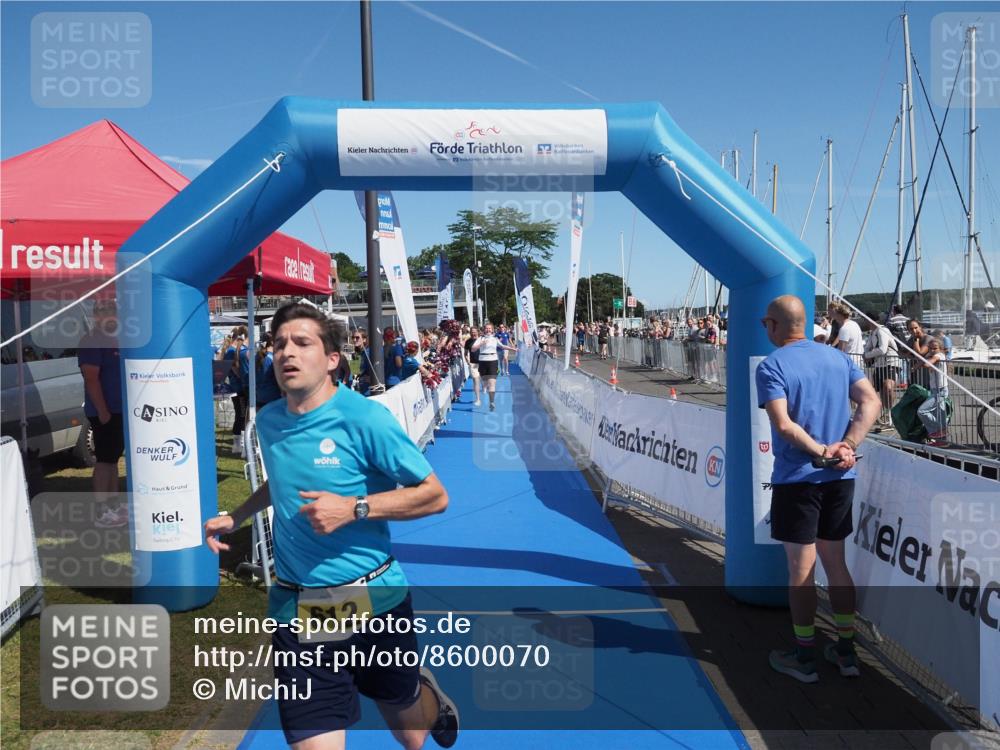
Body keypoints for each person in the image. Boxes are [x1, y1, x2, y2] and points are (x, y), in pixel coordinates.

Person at [204, 303, 459, 749]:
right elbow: (282, 480)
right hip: (299, 609)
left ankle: (427, 695)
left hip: (374, 601)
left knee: (412, 735)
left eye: (302, 343)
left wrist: (354, 508)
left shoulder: (364, 418)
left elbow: (435, 495)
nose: (287, 352)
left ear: (332, 359)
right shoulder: (269, 421)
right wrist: (237, 515)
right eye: (279, 344)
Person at [756, 295, 880, 683]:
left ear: (774, 325)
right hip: (840, 478)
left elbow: (783, 425)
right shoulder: (837, 358)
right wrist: (847, 446)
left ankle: (805, 656)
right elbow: (871, 402)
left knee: (801, 570)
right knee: (836, 565)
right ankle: (846, 652)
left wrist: (822, 451)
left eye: (765, 323)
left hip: (799, 480)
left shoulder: (772, 365)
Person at [78, 299, 127, 528]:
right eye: (105, 312)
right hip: (105, 411)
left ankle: (113, 505)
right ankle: (101, 511)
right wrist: (103, 411)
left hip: (119, 410)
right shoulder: (91, 340)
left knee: (113, 459)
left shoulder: (116, 339)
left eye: (113, 311)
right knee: (104, 461)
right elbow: (91, 378)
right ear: (96, 315)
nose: (111, 316)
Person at [472, 323, 517, 412]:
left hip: (493, 361)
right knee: (485, 383)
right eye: (486, 328)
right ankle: (484, 387)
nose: (488, 330)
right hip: (483, 361)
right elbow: (473, 349)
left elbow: (502, 346)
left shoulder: (495, 339)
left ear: (492, 330)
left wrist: (512, 349)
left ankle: (491, 402)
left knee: (492, 383)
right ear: (484, 330)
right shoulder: (480, 339)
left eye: (490, 328)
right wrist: (481, 344)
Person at [862, 317, 899, 425]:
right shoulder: (872, 333)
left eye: (865, 320)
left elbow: (882, 349)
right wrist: (866, 353)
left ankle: (891, 414)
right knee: (882, 390)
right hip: (879, 364)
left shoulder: (882, 330)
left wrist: (867, 355)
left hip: (890, 362)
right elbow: (867, 347)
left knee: (888, 387)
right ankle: (887, 415)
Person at [916, 337, 949, 446]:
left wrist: (925, 360)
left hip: (941, 390)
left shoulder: (939, 356)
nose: (932, 350)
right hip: (935, 389)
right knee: (940, 415)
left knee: (922, 411)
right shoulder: (931, 356)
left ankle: (938, 430)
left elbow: (927, 364)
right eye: (930, 348)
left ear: (940, 349)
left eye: (935, 348)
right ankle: (942, 441)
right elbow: (921, 360)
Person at [255, 333, 282, 409]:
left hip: (259, 397)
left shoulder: (256, 357)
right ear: (273, 342)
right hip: (273, 398)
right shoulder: (273, 358)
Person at [463, 326, 482, 406]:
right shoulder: (468, 341)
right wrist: (467, 361)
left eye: (474, 332)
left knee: (483, 380)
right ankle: (478, 399)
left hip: (483, 363)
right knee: (476, 380)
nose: (473, 333)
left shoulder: (482, 340)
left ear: (477, 332)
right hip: (473, 364)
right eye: (472, 332)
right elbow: (465, 353)